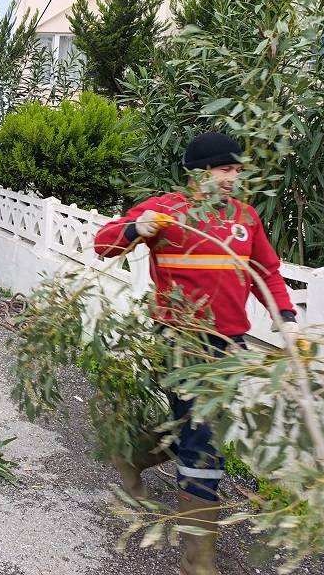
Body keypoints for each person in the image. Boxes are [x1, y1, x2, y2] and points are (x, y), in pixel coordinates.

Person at [93, 132, 298, 575]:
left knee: (192, 428)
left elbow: (267, 272)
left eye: (237, 170)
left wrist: (287, 320)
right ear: (200, 173)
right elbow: (103, 243)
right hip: (182, 342)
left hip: (230, 345)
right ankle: (198, 562)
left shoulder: (245, 217)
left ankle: (132, 455)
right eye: (226, 169)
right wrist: (135, 229)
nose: (234, 177)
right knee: (203, 441)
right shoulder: (167, 212)